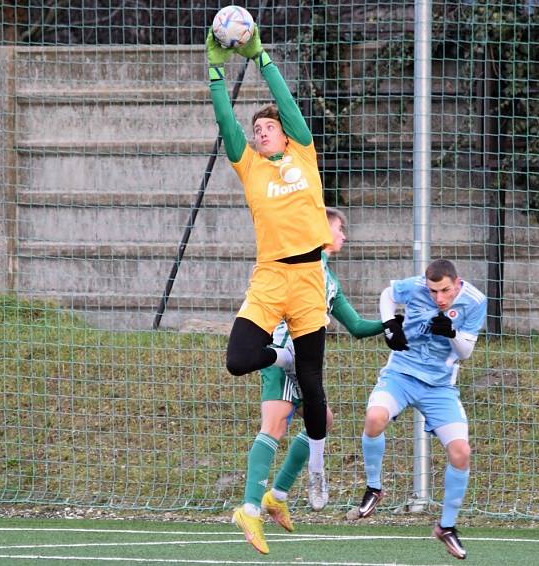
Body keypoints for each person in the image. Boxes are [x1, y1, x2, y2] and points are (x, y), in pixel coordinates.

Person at [205, 21, 335, 552]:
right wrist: (215, 69)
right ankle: (278, 359)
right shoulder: (249, 167)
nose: (260, 132)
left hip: (309, 279)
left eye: (267, 128)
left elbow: (286, 102)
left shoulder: (303, 153)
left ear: (284, 133)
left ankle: (289, 489)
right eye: (256, 129)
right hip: (270, 277)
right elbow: (224, 120)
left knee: (317, 397)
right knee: (238, 359)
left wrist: (260, 58)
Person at [233, 207, 384, 554]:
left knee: (323, 421)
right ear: (320, 230)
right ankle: (250, 508)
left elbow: (357, 327)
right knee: (273, 426)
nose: (344, 234)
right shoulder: (300, 263)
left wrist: (389, 324)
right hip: (281, 355)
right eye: (339, 228)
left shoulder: (330, 281)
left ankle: (277, 496)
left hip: (305, 364)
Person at [349, 259, 487, 560]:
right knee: (374, 418)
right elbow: (388, 295)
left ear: (457, 282)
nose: (440, 297)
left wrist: (451, 333)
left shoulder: (475, 301)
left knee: (461, 452)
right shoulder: (413, 287)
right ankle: (374, 487)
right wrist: (389, 325)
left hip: (440, 387)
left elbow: (467, 351)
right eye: (434, 290)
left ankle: (446, 526)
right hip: (401, 375)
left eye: (446, 291)